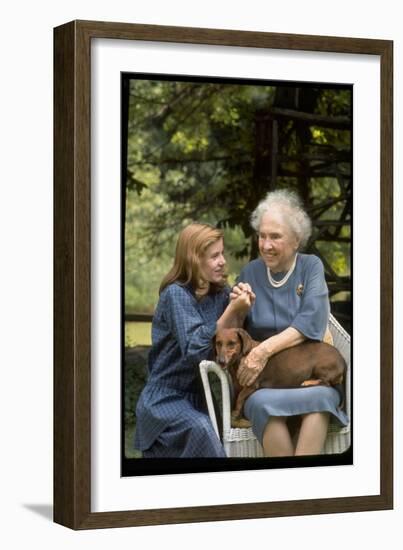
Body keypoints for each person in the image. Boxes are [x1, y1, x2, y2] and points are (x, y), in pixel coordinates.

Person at [231, 189, 349, 457]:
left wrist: (262, 351)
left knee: (320, 399)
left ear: (296, 240)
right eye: (262, 236)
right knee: (260, 403)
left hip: (312, 376)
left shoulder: (311, 267)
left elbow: (311, 321)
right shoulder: (250, 271)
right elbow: (234, 331)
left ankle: (304, 487)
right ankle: (288, 487)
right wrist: (235, 308)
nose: (266, 244)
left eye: (275, 236)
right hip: (265, 383)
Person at [134, 222, 253, 458]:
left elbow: (232, 340)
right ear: (194, 259)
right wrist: (231, 310)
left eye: (222, 253)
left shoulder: (218, 292)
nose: (223, 261)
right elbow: (195, 350)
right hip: (166, 399)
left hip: (200, 398)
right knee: (201, 431)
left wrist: (243, 307)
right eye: (214, 256)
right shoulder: (175, 295)